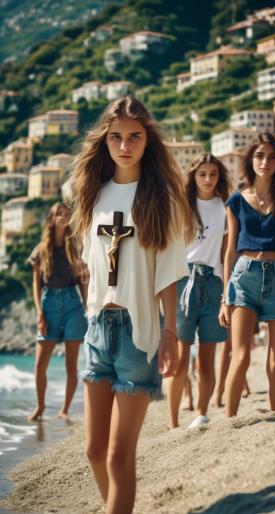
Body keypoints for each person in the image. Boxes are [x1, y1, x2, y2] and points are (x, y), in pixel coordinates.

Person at [70, 95, 190, 514]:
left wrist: (171, 330)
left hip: (139, 334)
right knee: (92, 451)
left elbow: (169, 273)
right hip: (97, 330)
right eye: (116, 137)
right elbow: (92, 265)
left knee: (120, 457)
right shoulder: (93, 196)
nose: (125, 146)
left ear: (147, 141)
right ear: (105, 141)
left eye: (134, 137)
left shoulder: (162, 200)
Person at [219, 132, 275, 417]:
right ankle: (229, 423)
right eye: (259, 155)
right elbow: (229, 251)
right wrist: (224, 297)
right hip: (245, 276)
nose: (265, 162)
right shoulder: (236, 201)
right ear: (250, 159)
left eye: (272, 156)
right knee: (239, 357)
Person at [167, 153, 231, 429]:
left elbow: (229, 253)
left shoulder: (226, 207)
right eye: (202, 174)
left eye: (213, 174)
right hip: (183, 281)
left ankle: (202, 414)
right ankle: (172, 422)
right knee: (180, 360)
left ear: (219, 177)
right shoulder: (181, 206)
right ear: (193, 176)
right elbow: (167, 249)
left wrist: (227, 292)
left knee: (206, 360)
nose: (207, 179)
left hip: (213, 283)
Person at [27, 202, 88, 421]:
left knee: (71, 364)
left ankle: (65, 409)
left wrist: (87, 304)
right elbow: (36, 284)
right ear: (51, 219)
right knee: (39, 364)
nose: (63, 216)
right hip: (49, 303)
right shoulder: (41, 250)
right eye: (58, 214)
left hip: (73, 303)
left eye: (66, 213)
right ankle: (41, 406)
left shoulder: (76, 247)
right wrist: (39, 313)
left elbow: (82, 280)